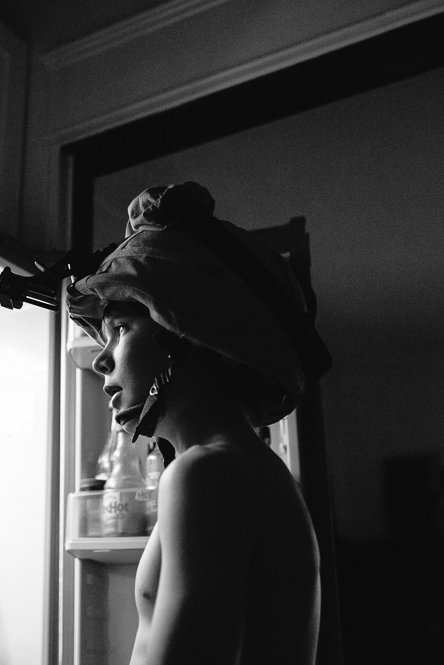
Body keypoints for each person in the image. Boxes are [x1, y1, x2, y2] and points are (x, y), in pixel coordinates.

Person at [67, 182, 331, 665]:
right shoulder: (239, 468)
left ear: (187, 333)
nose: (102, 361)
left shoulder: (206, 474)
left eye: (121, 330)